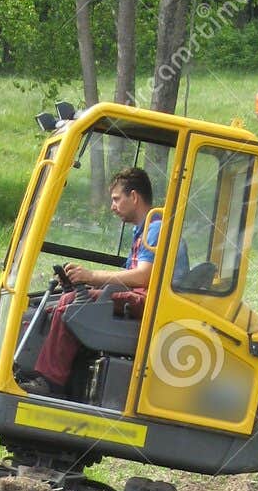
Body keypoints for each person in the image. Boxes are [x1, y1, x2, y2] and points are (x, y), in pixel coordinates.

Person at [21, 166, 162, 397]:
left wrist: (92, 277)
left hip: (149, 301)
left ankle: (50, 382)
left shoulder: (155, 229)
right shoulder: (143, 230)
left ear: (134, 197)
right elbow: (130, 278)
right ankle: (57, 378)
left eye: (116, 199)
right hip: (139, 296)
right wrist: (82, 281)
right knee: (59, 302)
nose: (112, 206)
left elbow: (143, 276)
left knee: (71, 303)